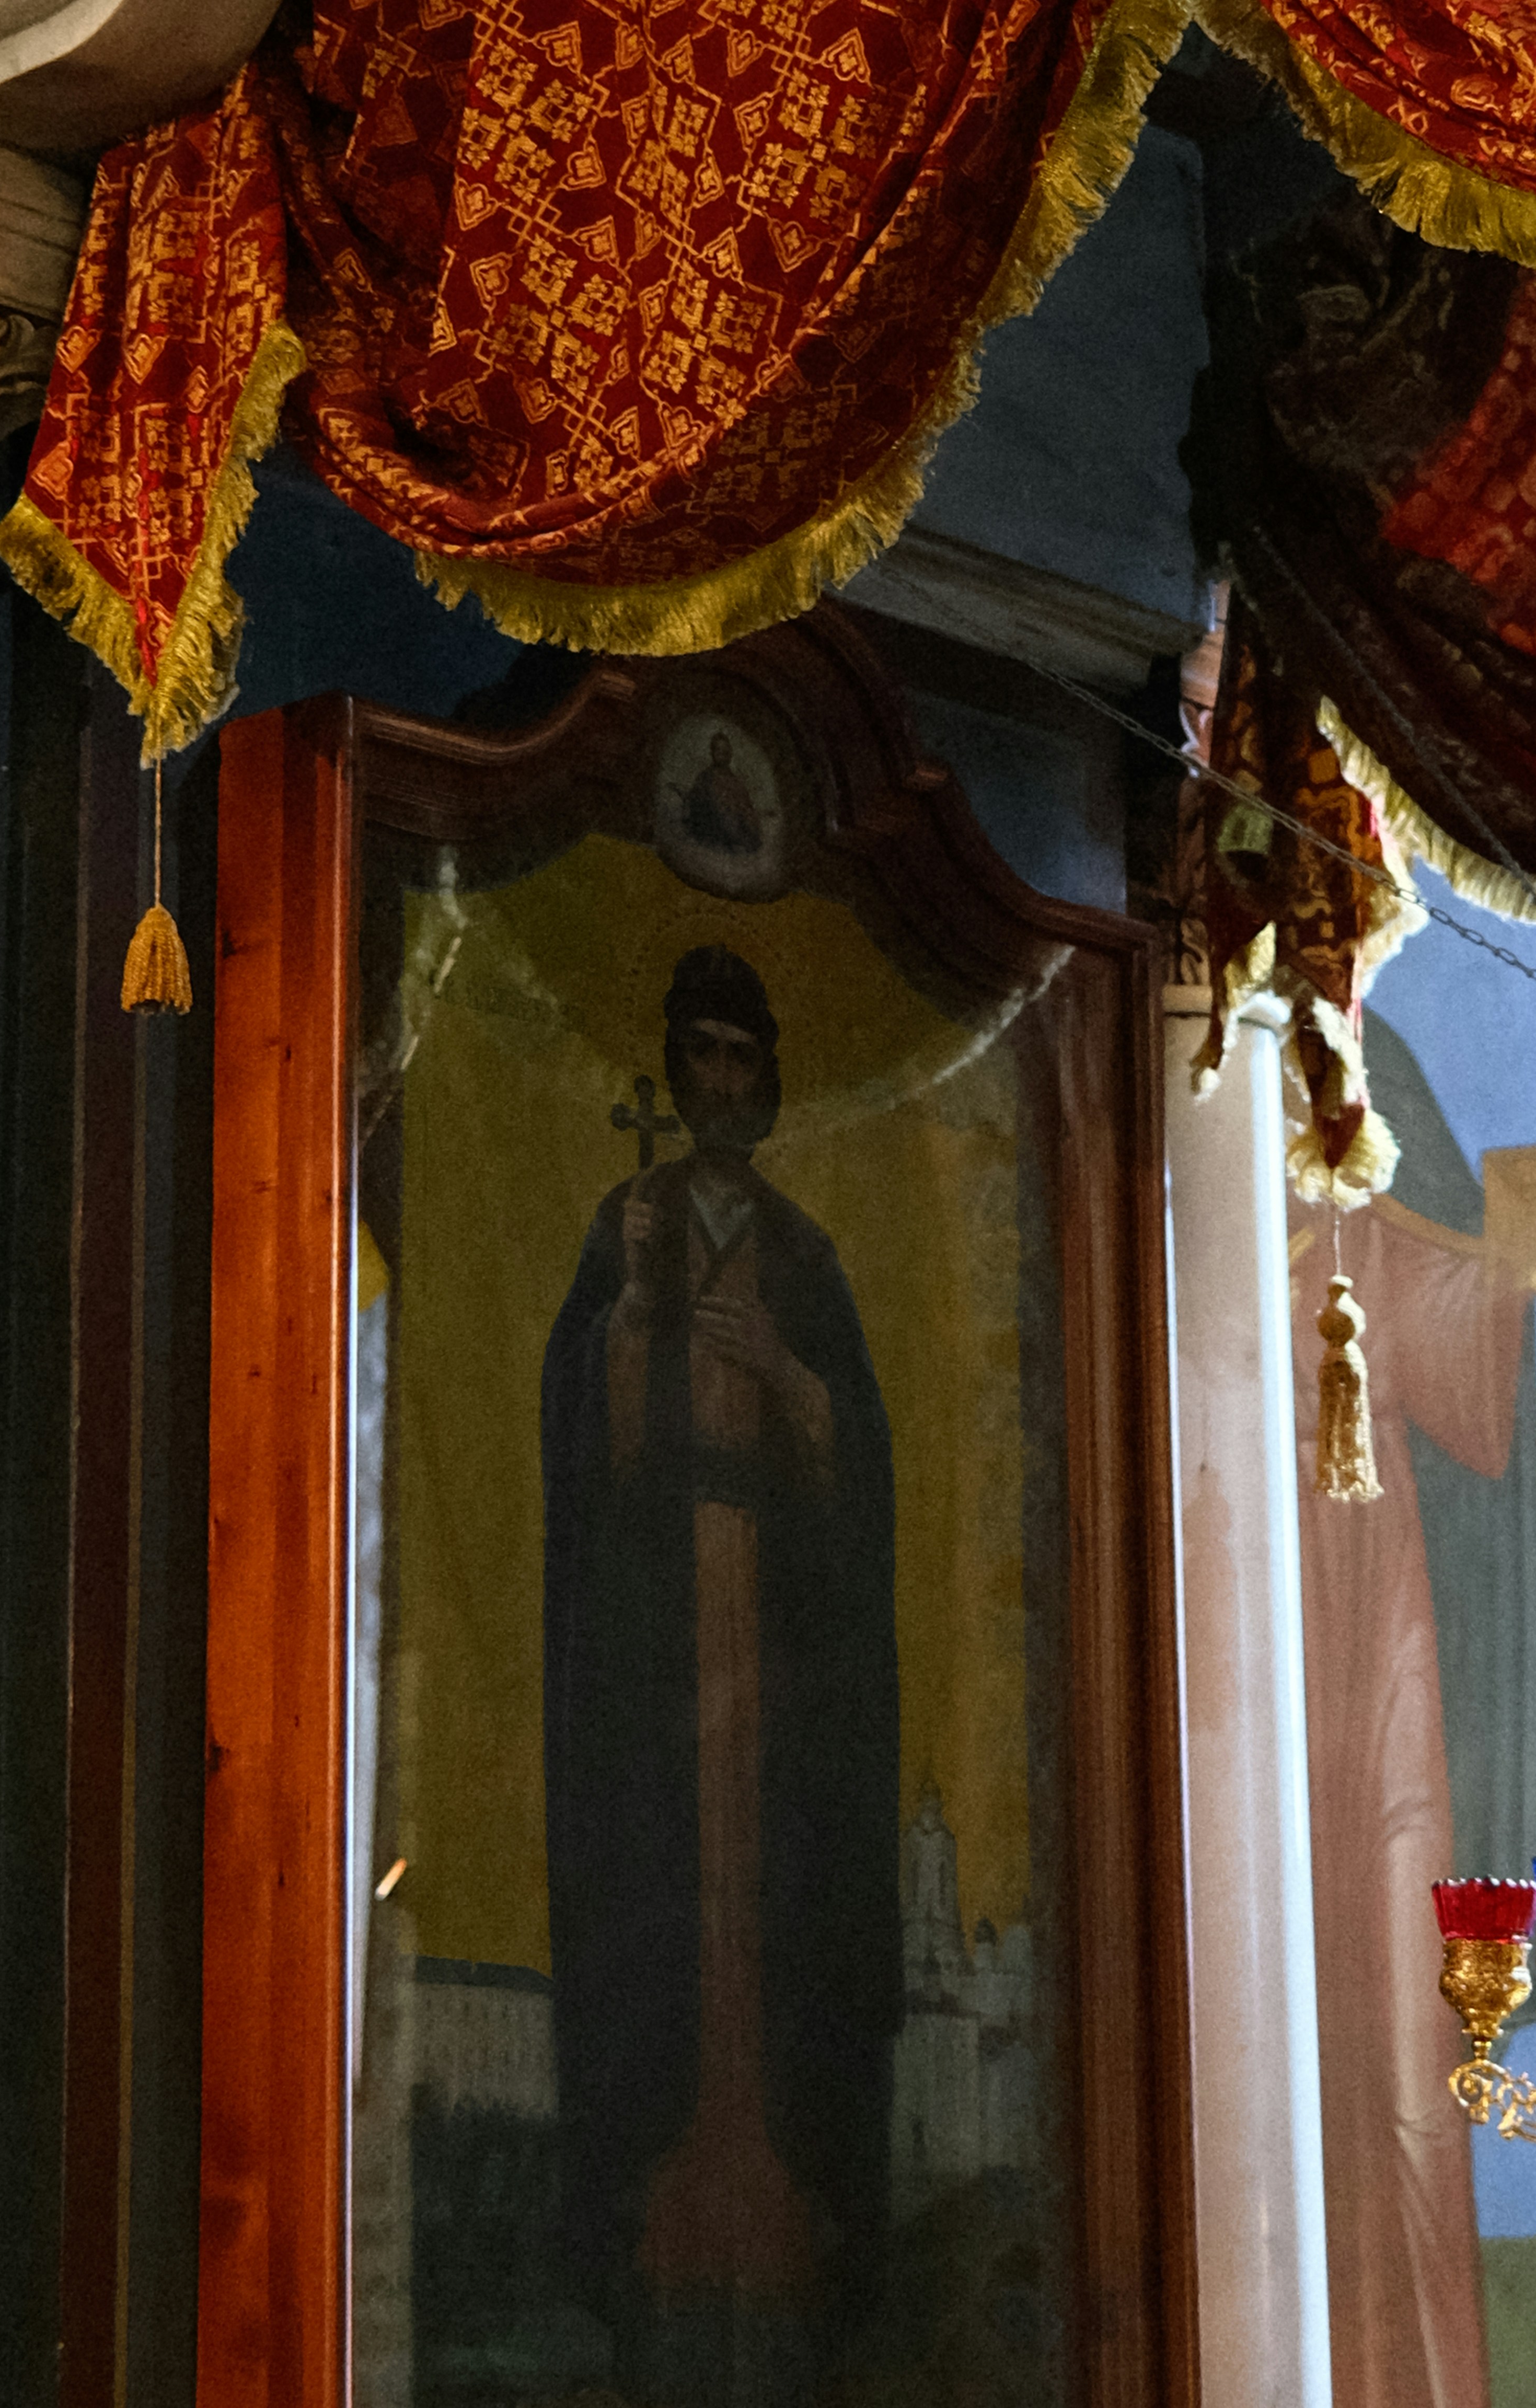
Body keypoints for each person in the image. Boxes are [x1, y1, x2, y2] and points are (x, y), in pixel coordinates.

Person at [540, 943, 900, 2401]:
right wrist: (631, 1329)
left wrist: (788, 1381)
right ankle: (651, 2207)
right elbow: (576, 1438)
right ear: (677, 1073)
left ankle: (788, 2203)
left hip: (778, 1618)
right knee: (661, 1875)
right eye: (705, 1059)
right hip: (652, 1626)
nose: (726, 1086)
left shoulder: (805, 1258)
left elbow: (862, 1459)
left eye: (748, 1063)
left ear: (771, 1080)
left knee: (772, 1882)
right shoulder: (624, 1222)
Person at [1291, 1011, 1536, 2408]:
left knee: (1403, 2005)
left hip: (1378, 1632)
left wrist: (1517, 1270)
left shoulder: (1359, 1141)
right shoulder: (1146, 1218)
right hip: (1236, 1627)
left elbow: (1453, 1340)